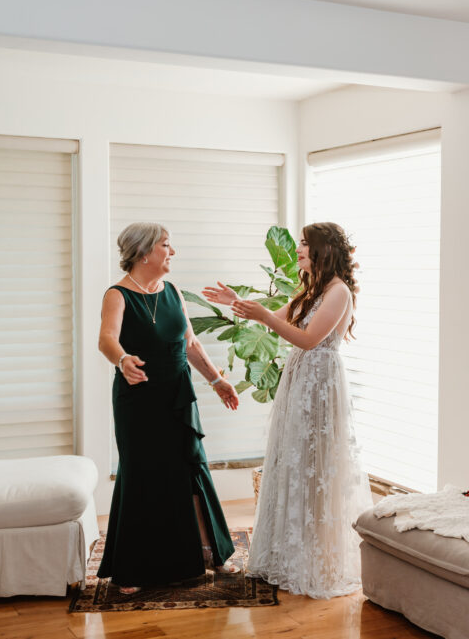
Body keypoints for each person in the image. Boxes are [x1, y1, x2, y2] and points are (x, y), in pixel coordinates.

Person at [203, 222, 372, 599]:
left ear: (322, 251)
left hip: (320, 386)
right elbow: (277, 318)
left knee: (315, 469)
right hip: (299, 383)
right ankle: (286, 553)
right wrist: (238, 302)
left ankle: (312, 559)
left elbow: (310, 340)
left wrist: (263, 315)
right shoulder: (312, 289)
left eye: (304, 245)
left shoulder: (338, 292)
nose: (298, 250)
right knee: (291, 463)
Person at [98, 222, 241, 594]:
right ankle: (131, 568)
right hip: (138, 399)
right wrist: (123, 359)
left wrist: (216, 380)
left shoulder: (173, 291)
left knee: (192, 466)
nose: (172, 251)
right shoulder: (117, 295)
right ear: (145, 252)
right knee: (142, 475)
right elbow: (106, 339)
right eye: (166, 245)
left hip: (178, 396)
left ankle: (212, 553)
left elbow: (190, 343)